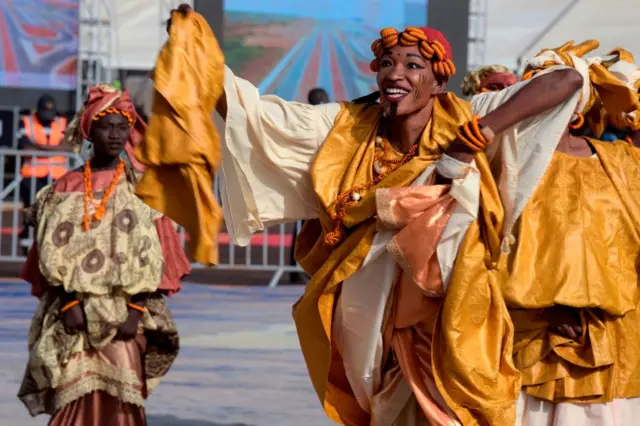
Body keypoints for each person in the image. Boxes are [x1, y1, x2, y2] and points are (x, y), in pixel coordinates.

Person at [156, 7, 587, 424]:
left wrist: (479, 134)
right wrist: (192, 55)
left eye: (413, 64)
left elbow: (568, 79)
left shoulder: (465, 116)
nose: (395, 74)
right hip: (375, 316)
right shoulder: (345, 127)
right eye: (386, 63)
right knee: (389, 408)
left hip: (454, 313)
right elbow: (254, 116)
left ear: (439, 80)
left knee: (459, 408)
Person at [433, 41, 640, 425]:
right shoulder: (502, 162)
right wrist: (544, 307)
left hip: (612, 338)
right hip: (526, 339)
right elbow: (480, 245)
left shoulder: (624, 162)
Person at [17, 84, 190, 425]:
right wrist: (68, 303)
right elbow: (49, 254)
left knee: (123, 404)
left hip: (125, 317)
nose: (115, 135)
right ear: (89, 129)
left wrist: (135, 311)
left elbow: (154, 256)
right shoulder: (63, 188)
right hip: (75, 316)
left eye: (122, 126)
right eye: (106, 125)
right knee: (73, 400)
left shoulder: (143, 189)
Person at [18, 95, 72, 245]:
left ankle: (51, 244)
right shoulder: (26, 121)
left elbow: (70, 146)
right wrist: (54, 149)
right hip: (33, 176)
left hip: (57, 177)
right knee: (32, 211)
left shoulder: (62, 122)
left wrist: (42, 147)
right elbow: (25, 147)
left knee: (56, 212)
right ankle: (27, 242)